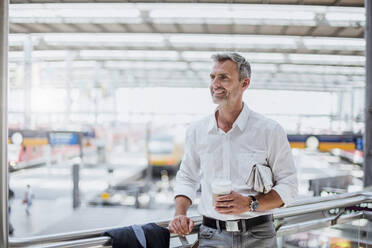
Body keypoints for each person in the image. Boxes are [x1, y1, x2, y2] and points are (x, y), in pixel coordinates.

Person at [168, 53, 298, 247]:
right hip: (212, 236)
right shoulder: (197, 131)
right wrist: (180, 214)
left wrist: (250, 203)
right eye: (212, 77)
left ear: (244, 84)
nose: (215, 84)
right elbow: (187, 177)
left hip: (259, 235)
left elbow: (289, 186)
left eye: (223, 78)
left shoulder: (269, 131)